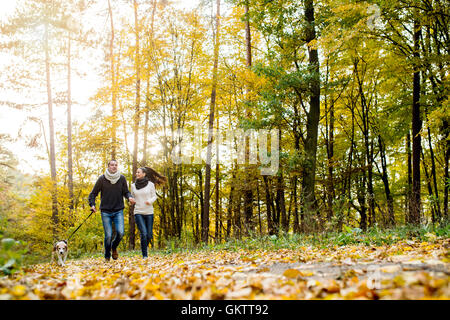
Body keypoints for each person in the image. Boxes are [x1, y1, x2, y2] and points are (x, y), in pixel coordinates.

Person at [88, 160, 135, 261]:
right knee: (108, 235)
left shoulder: (122, 178)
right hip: (105, 211)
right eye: (112, 165)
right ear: (108, 166)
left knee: (120, 232)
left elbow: (126, 192)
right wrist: (92, 204)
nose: (114, 167)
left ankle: (113, 247)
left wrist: (129, 197)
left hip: (118, 210)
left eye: (116, 165)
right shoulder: (102, 179)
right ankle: (107, 256)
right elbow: (93, 193)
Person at [131, 166, 167, 258]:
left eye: (139, 172)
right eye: (136, 172)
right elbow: (132, 197)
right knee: (143, 233)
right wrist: (131, 201)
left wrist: (149, 201)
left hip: (149, 212)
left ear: (144, 174)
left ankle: (144, 248)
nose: (137, 174)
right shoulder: (133, 185)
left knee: (149, 235)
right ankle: (145, 255)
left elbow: (154, 196)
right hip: (138, 211)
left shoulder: (150, 184)